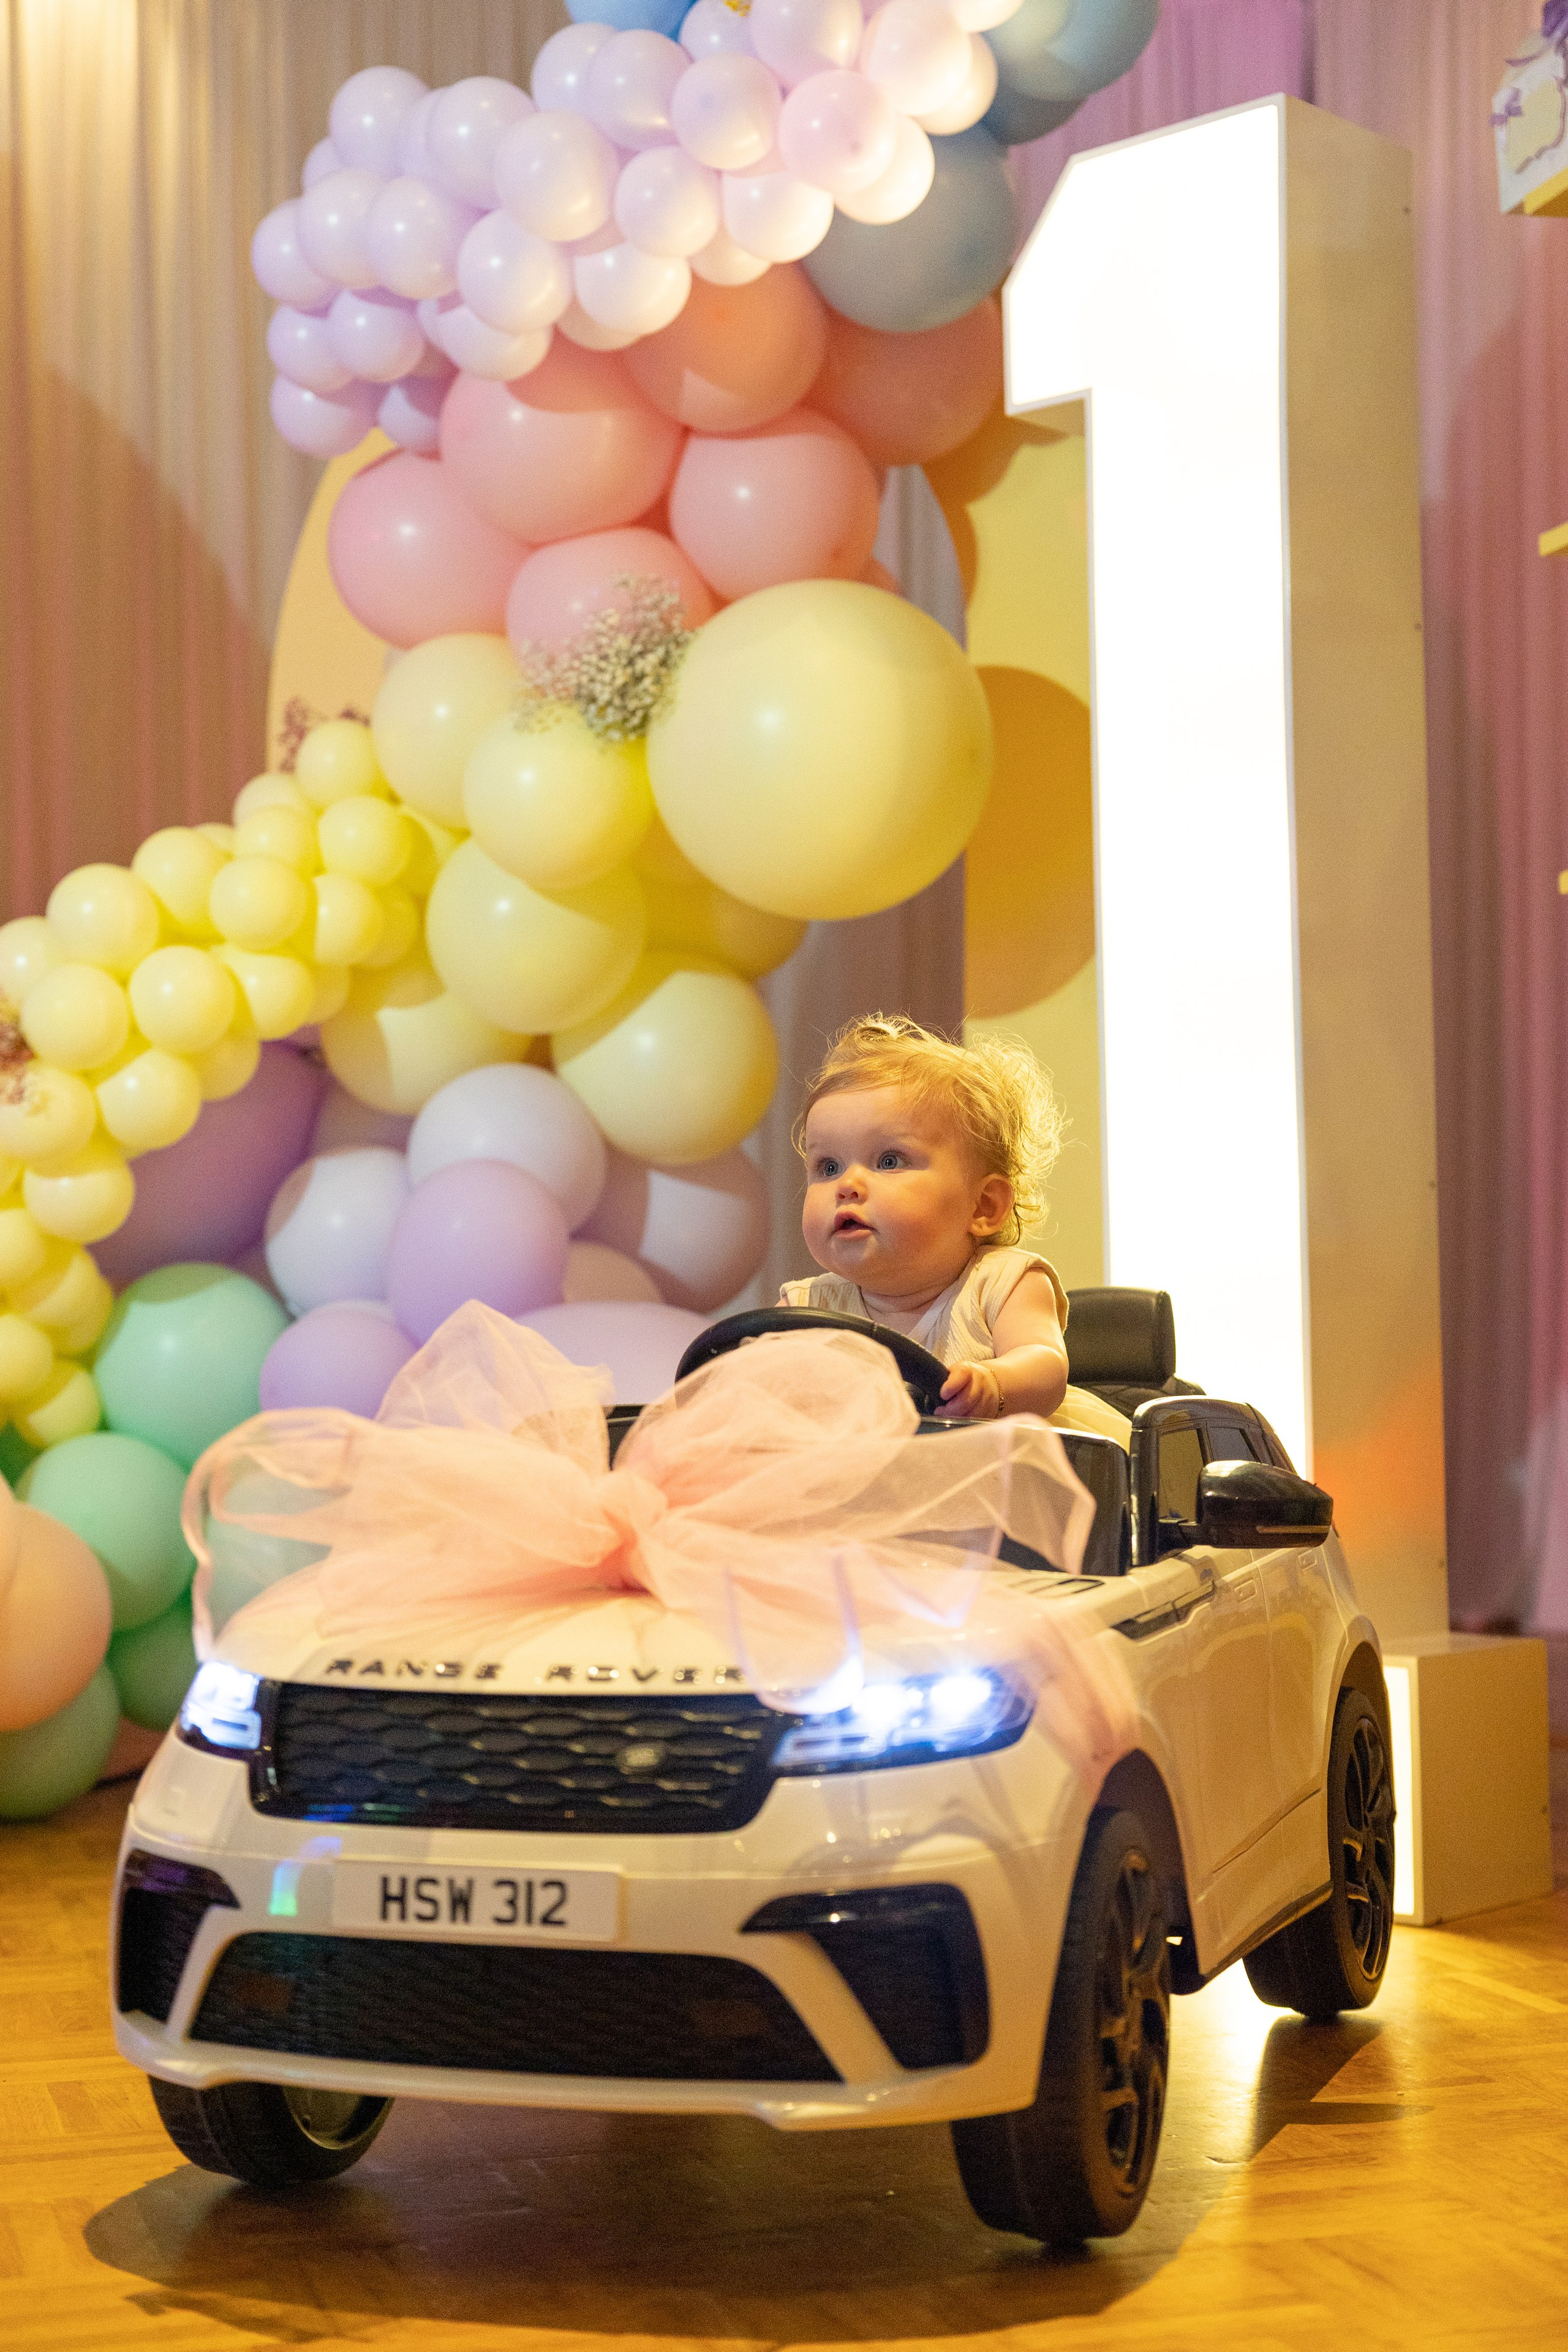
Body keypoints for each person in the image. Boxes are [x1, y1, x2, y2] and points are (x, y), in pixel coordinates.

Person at [780, 1014, 1128, 1438]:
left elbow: (1045, 1362)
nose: (847, 1186)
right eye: (828, 1166)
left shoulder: (1002, 1283)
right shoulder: (807, 1307)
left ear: (983, 1205)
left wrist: (996, 1384)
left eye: (889, 1161)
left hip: (999, 1479)